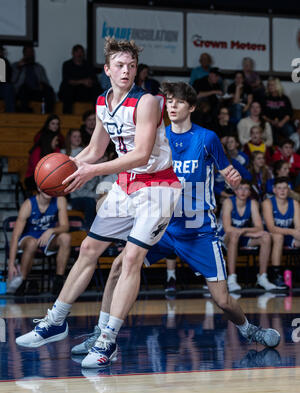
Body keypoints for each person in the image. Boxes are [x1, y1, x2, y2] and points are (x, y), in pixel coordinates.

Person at [70, 82, 281, 364]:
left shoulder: (207, 138)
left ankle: (248, 329)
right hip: (163, 224)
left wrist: (233, 179)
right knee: (120, 266)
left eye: (179, 102)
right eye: (169, 101)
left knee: (222, 300)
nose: (172, 106)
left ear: (191, 107)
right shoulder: (157, 137)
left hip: (198, 231)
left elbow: (232, 172)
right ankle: (102, 335)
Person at [15, 38, 182, 367]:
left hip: (158, 186)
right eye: (120, 65)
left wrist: (92, 171)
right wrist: (71, 164)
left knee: (131, 259)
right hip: (125, 183)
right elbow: (94, 149)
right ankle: (56, 320)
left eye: (132, 66)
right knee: (89, 250)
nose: (126, 71)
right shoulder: (103, 103)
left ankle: (107, 340)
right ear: (107, 70)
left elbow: (141, 154)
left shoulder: (147, 101)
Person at [7, 190, 71, 295]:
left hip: (47, 237)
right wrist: (11, 264)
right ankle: (21, 281)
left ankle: (58, 281)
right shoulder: (28, 204)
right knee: (32, 243)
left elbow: (65, 227)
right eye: (45, 186)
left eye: (50, 186)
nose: (48, 190)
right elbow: (15, 236)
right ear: (39, 187)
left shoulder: (60, 200)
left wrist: (51, 230)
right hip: (30, 237)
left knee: (65, 238)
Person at [221, 179, 276, 292]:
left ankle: (262, 277)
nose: (243, 191)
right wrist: (249, 232)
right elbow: (228, 228)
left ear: (250, 192)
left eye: (246, 189)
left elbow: (259, 227)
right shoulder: (228, 202)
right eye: (240, 188)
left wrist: (244, 231)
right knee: (234, 234)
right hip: (225, 237)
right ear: (235, 191)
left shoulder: (253, 203)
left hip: (242, 235)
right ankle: (231, 279)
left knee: (266, 237)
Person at [262, 177, 300, 288]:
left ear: (288, 190)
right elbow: (271, 228)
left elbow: (298, 227)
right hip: (270, 236)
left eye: (285, 188)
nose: (282, 191)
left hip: (288, 234)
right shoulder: (267, 203)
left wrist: (296, 233)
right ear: (274, 190)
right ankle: (276, 275)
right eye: (279, 188)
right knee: (278, 237)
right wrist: (293, 232)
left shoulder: (294, 203)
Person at [61, 129, 99, 230]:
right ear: (69, 138)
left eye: (79, 136)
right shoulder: (63, 153)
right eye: (74, 136)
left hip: (89, 189)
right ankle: (89, 229)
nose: (77, 139)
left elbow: (93, 175)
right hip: (74, 195)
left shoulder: (87, 152)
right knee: (90, 202)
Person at [58, 45, 101, 114]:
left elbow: (93, 79)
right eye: (77, 52)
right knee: (68, 90)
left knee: (97, 89)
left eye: (81, 52)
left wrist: (89, 82)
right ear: (73, 53)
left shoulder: (88, 65)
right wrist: (82, 81)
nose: (79, 54)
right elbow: (68, 80)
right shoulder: (67, 65)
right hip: (72, 91)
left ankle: (98, 114)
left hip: (84, 91)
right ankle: (67, 116)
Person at [11, 46, 55, 113]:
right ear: (24, 54)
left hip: (36, 91)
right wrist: (18, 68)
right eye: (28, 52)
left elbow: (46, 82)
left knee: (49, 90)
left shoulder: (39, 67)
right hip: (22, 91)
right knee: (24, 89)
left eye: (32, 52)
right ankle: (24, 114)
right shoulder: (15, 65)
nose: (30, 54)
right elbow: (12, 81)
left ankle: (48, 114)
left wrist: (43, 84)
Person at [262, 77, 294, 144]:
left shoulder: (284, 98)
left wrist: (282, 122)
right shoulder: (265, 98)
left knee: (290, 129)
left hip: (283, 122)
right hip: (270, 122)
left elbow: (289, 113)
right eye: (269, 85)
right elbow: (263, 115)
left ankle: (290, 148)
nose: (270, 87)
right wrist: (271, 121)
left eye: (272, 85)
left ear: (277, 86)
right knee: (269, 129)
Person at [0, 45, 15, 112]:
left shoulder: (5, 62)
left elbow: (8, 78)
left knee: (8, 87)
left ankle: (10, 115)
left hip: (2, 86)